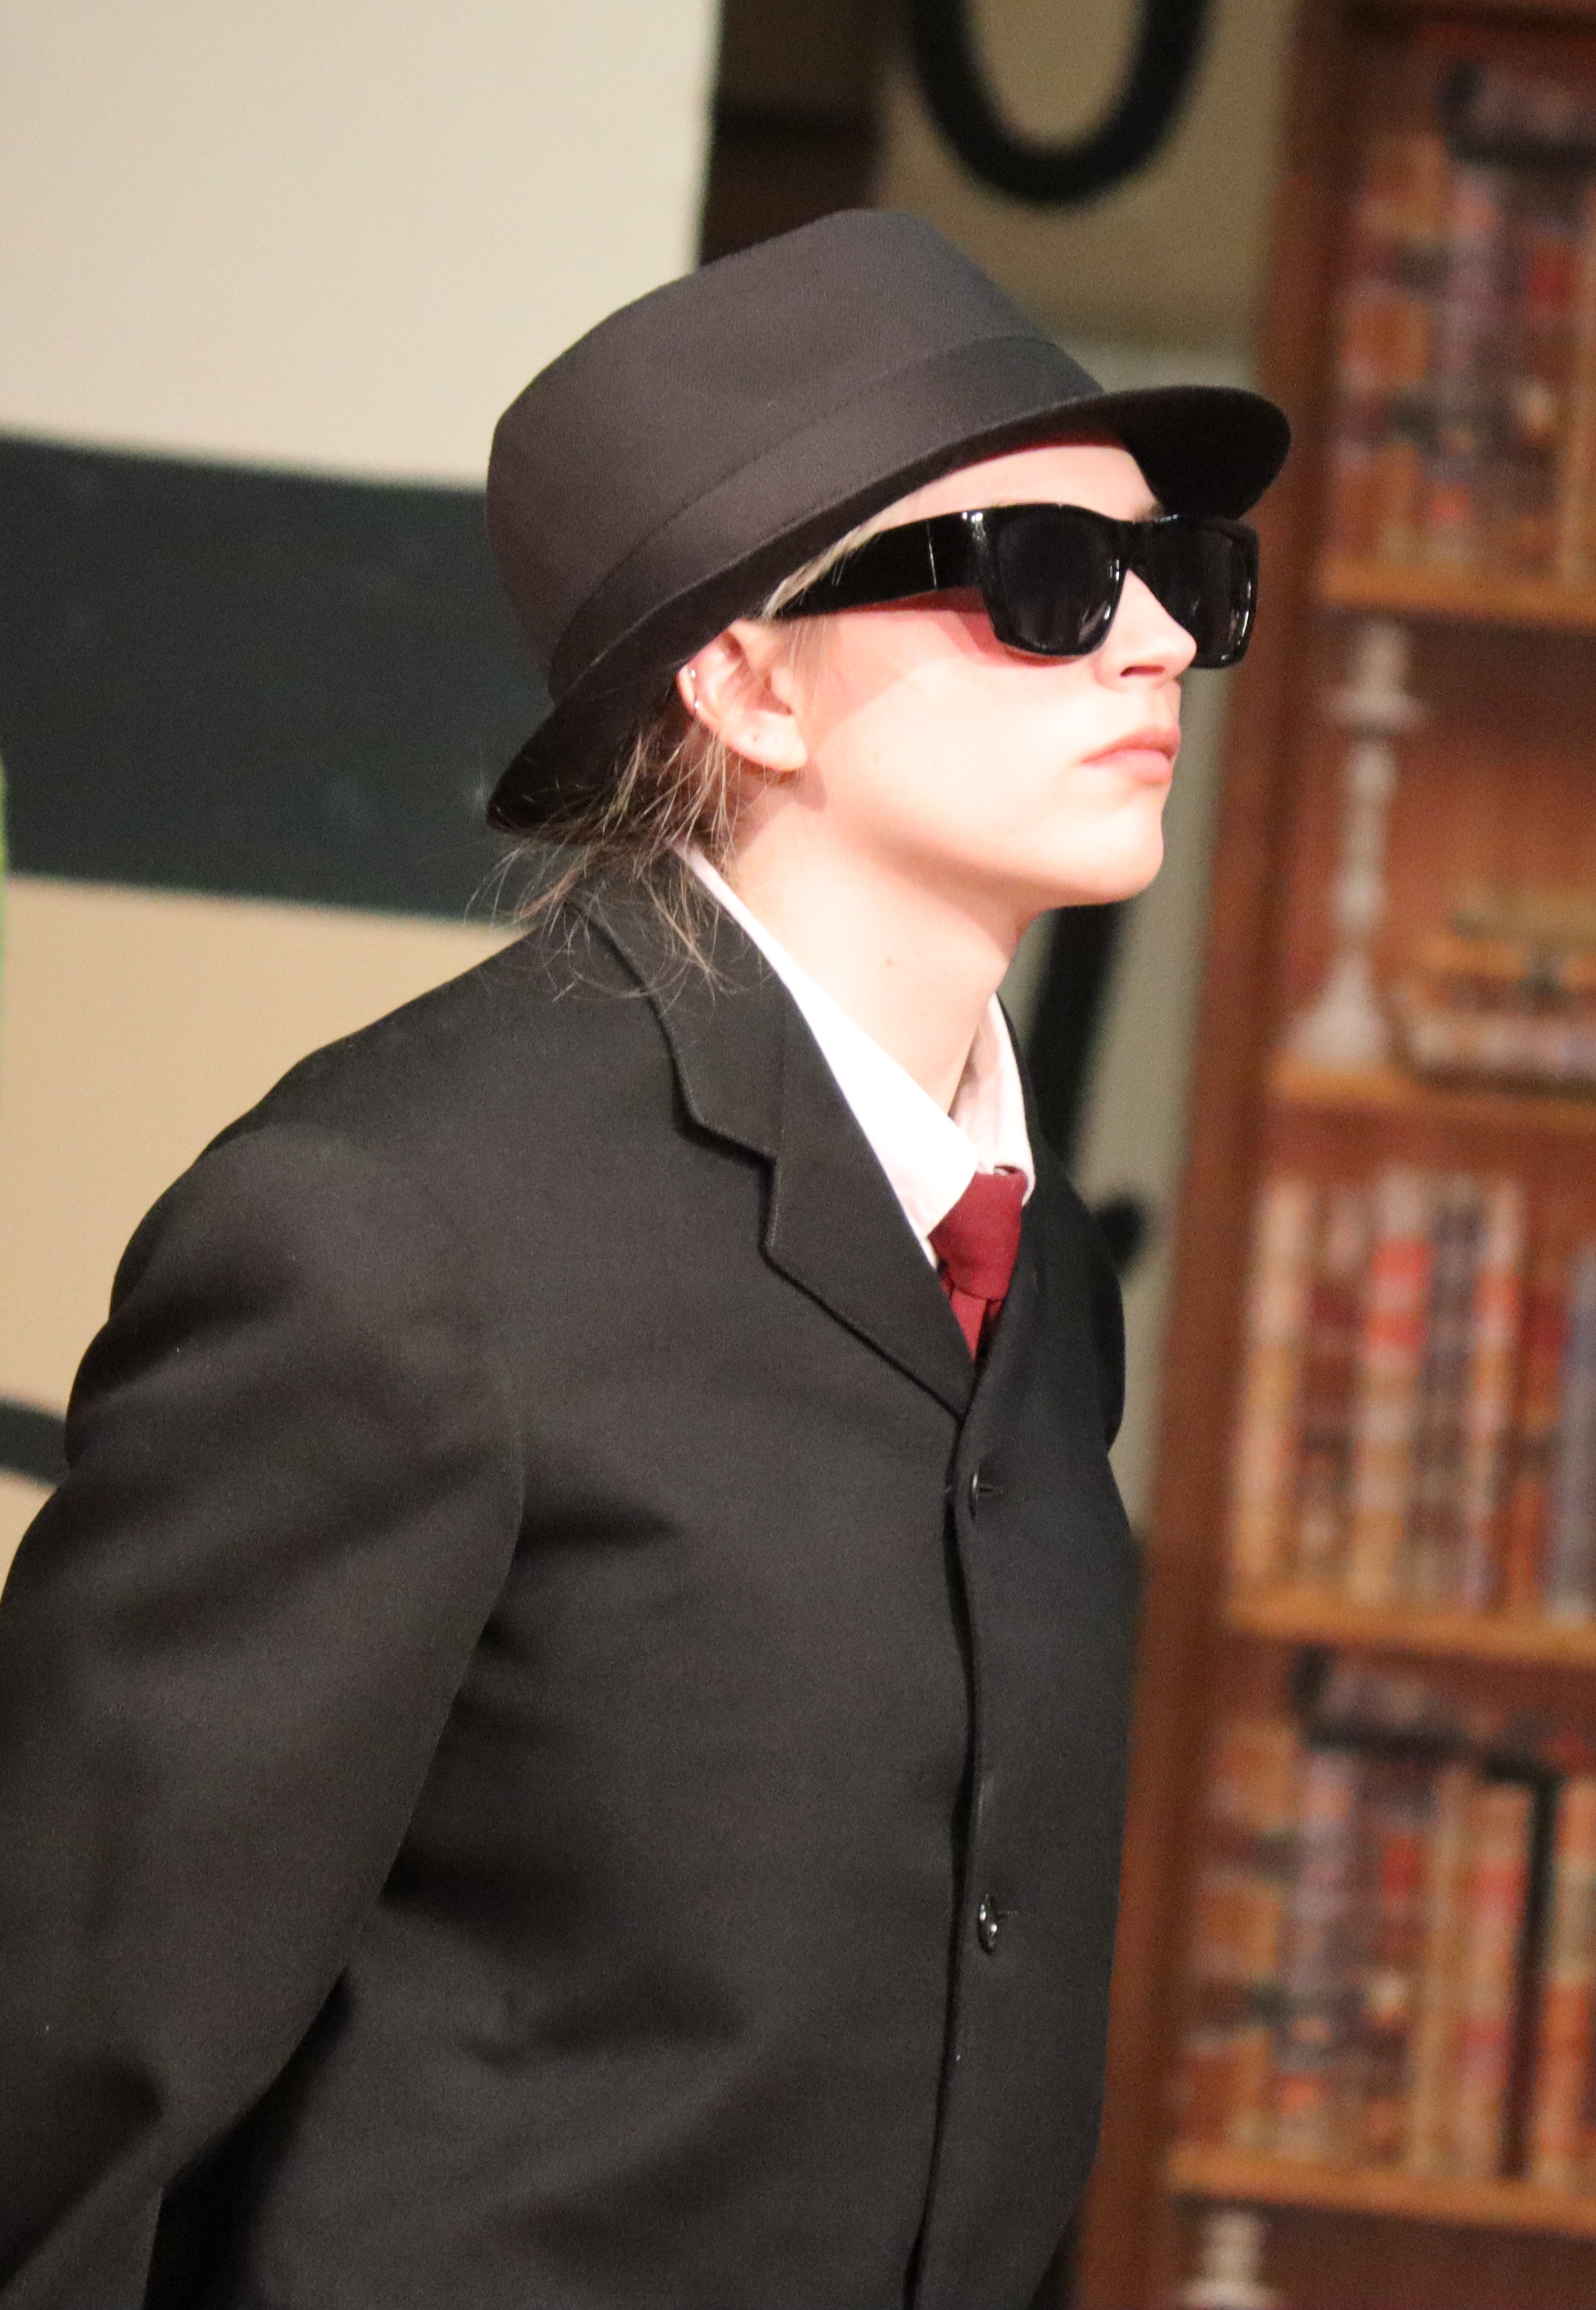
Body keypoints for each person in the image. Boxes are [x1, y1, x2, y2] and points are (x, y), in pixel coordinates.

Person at [0, 211, 1287, 2310]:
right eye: (1041, 580)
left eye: (1183, 576)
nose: (1151, 640)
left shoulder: (1028, 1260)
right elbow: (58, 2077)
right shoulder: (392, 1230)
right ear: (746, 680)